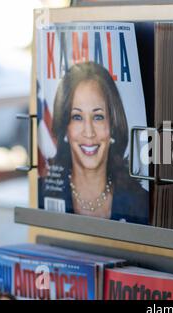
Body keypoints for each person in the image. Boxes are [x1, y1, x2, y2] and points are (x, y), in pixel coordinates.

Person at [42, 61, 148, 224]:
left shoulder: (141, 202)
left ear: (112, 126)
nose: (89, 132)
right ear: (65, 129)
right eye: (77, 117)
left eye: (98, 117)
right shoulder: (43, 193)